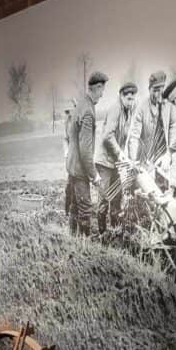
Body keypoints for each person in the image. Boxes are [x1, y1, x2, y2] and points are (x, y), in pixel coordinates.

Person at [66, 71, 107, 235]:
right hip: (80, 169)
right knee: (85, 208)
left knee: (75, 205)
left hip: (73, 166)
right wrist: (94, 175)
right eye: (102, 90)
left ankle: (72, 240)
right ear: (97, 87)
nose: (102, 95)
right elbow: (85, 150)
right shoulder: (88, 111)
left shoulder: (81, 104)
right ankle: (86, 249)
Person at [95, 81, 137, 233]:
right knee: (105, 197)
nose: (130, 101)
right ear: (121, 96)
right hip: (105, 161)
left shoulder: (128, 112)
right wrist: (120, 153)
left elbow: (126, 137)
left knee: (117, 197)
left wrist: (128, 158)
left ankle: (115, 231)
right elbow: (107, 136)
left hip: (115, 162)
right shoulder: (115, 109)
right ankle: (101, 234)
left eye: (133, 98)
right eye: (128, 98)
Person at [128, 71, 171, 172]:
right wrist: (133, 160)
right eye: (154, 90)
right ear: (149, 89)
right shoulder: (142, 108)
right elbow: (134, 136)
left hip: (163, 158)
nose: (156, 94)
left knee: (163, 186)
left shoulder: (169, 106)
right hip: (145, 159)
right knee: (146, 186)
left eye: (159, 91)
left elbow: (174, 128)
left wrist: (170, 154)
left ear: (163, 89)